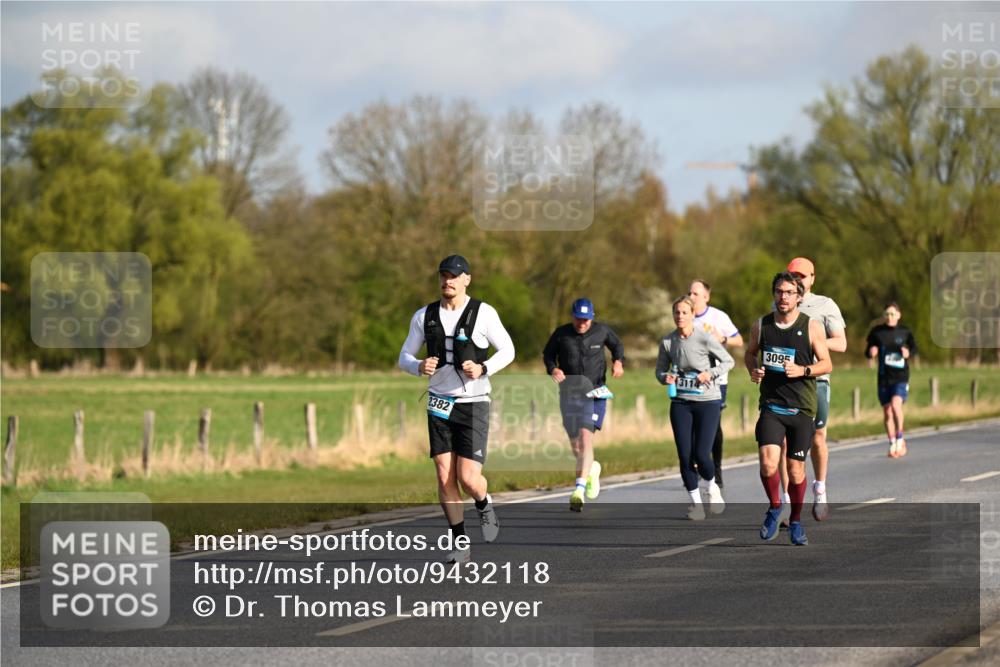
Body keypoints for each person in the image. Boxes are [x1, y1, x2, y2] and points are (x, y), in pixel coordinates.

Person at [398, 255, 515, 563]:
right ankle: (460, 541)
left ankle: (484, 502)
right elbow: (404, 357)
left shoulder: (483, 313)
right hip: (438, 401)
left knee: (468, 478)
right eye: (444, 275)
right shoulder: (425, 316)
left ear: (467, 279)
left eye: (454, 276)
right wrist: (419, 365)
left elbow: (508, 349)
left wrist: (484, 368)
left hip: (474, 402)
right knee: (443, 475)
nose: (447, 281)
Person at [746, 272, 832, 546]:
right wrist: (753, 370)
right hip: (772, 405)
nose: (784, 297)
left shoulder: (811, 326)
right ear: (774, 294)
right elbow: (750, 353)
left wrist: (803, 370)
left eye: (789, 292)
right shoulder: (762, 325)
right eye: (779, 292)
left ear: (798, 296)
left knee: (796, 472)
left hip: (802, 409)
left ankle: (795, 520)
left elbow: (826, 364)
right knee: (768, 463)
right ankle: (774, 506)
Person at [778, 257, 847, 522]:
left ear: (812, 278)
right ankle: (785, 502)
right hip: (787, 382)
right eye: (793, 275)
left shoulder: (825, 305)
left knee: (817, 436)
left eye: (802, 276)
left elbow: (841, 343)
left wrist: (813, 342)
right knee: (785, 443)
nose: (797, 280)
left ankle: (820, 489)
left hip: (816, 380)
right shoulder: (781, 304)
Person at [656, 296, 734, 520]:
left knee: (702, 453)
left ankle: (711, 486)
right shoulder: (668, 342)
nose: (680, 316)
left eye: (684, 312)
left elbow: (728, 362)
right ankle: (696, 504)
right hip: (681, 402)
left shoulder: (704, 338)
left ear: (692, 315)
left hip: (707, 402)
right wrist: (666, 377)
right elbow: (659, 372)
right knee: (685, 455)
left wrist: (710, 373)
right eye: (677, 313)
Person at [543, 298, 625, 512]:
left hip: (595, 393)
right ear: (573, 316)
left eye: (586, 320)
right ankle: (592, 468)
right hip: (569, 395)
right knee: (576, 446)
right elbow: (548, 354)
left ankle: (578, 490)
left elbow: (617, 345)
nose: (582, 324)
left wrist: (618, 362)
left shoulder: (601, 331)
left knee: (586, 437)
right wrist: (553, 369)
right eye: (579, 319)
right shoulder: (561, 334)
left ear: (592, 318)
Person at [688, 279, 744, 491]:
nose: (691, 297)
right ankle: (697, 466)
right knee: (693, 423)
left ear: (706, 297)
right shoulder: (686, 317)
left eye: (695, 293)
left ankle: (717, 471)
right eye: (689, 293)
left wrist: (722, 338)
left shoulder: (718, 317)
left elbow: (738, 340)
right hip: (692, 379)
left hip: (716, 379)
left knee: (713, 424)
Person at [865, 302, 917, 458]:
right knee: (887, 412)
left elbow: (914, 348)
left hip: (901, 376)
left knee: (896, 405)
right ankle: (892, 442)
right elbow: (867, 351)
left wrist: (908, 352)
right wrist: (871, 352)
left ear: (898, 315)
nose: (889, 317)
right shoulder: (877, 332)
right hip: (883, 377)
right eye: (886, 314)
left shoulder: (905, 331)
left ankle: (900, 438)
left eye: (892, 314)